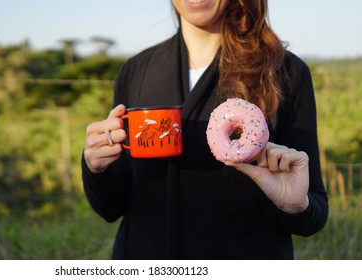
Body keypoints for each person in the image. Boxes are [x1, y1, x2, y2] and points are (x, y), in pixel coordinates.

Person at [82, 0, 328, 259]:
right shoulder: (136, 71)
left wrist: (296, 206)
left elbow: (315, 213)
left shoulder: (283, 71)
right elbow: (110, 209)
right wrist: (95, 167)